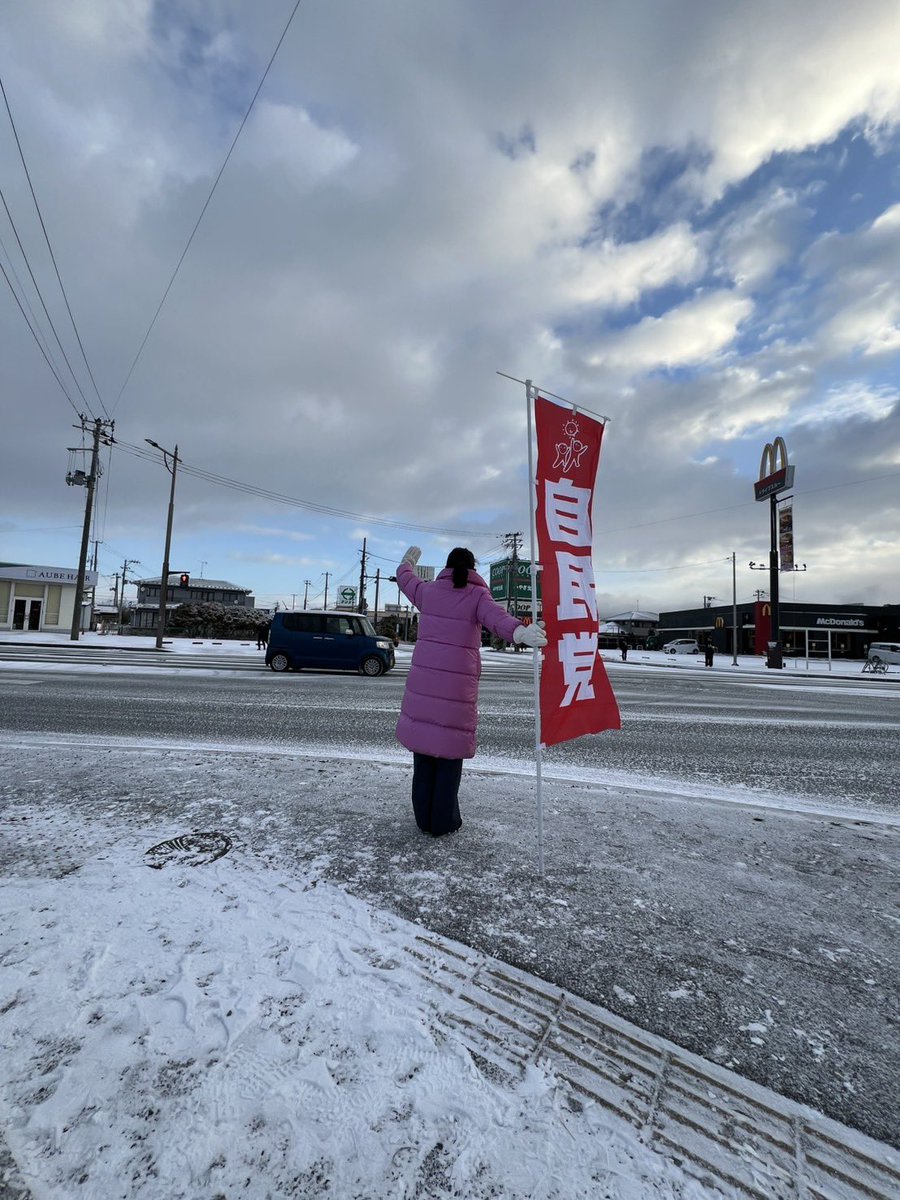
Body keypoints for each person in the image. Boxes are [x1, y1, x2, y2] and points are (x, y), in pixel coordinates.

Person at [395, 546, 546, 836]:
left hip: (423, 688)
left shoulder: (428, 592)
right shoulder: (477, 596)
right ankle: (443, 822)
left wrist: (408, 562)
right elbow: (498, 619)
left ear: (447, 567)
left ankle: (423, 820)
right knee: (449, 756)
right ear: (473, 569)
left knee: (424, 755)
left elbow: (405, 580)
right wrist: (520, 632)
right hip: (456, 691)